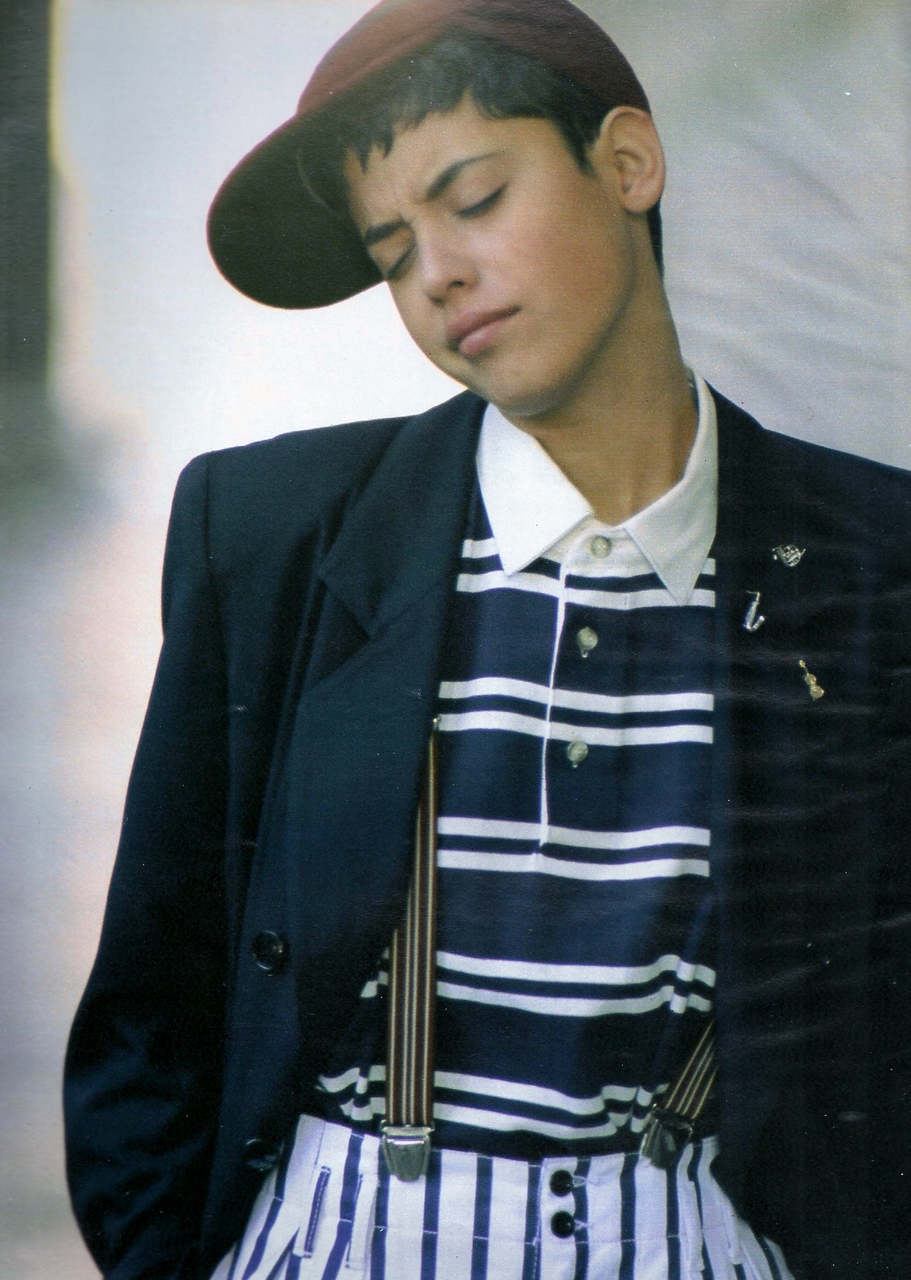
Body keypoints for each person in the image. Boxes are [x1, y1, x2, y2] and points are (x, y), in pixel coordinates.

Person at [64, 2, 911, 1278]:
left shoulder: (868, 554)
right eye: (391, 248)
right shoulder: (271, 529)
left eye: (473, 198)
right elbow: (153, 992)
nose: (436, 275)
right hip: (335, 1231)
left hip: (699, 1235)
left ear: (625, 162)